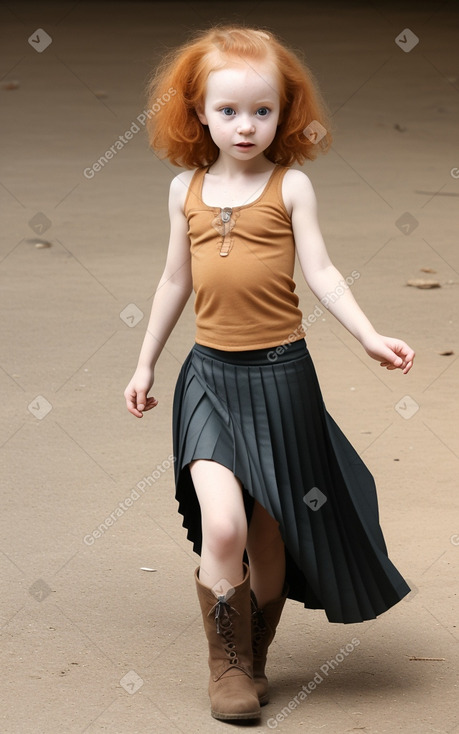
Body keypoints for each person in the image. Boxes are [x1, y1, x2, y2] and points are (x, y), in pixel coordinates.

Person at [124, 25, 415, 723]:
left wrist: (369, 334)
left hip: (281, 377)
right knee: (221, 526)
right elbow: (173, 279)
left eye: (262, 110)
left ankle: (252, 654)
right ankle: (225, 664)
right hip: (208, 379)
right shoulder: (183, 190)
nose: (245, 125)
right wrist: (143, 363)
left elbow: (321, 272)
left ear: (285, 112)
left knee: (271, 529)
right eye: (226, 111)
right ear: (196, 111)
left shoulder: (291, 188)